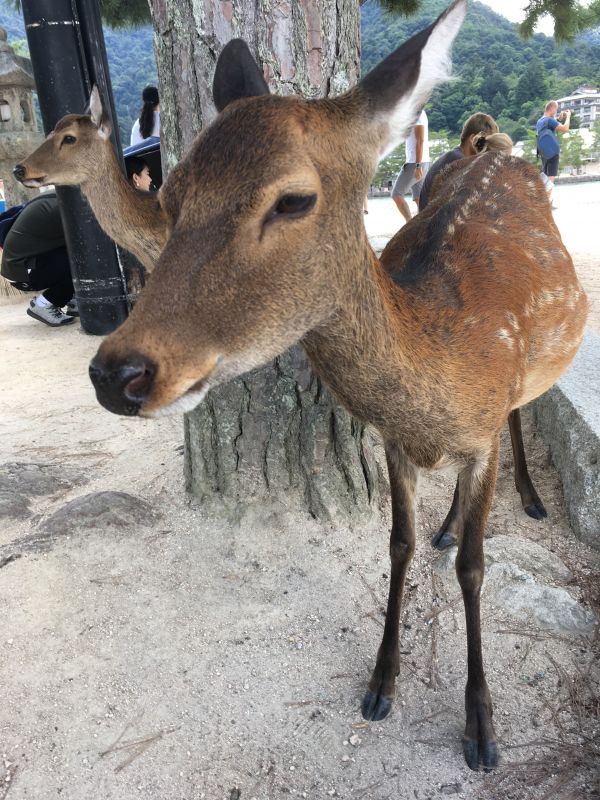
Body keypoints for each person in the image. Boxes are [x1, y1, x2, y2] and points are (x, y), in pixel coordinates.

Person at [0, 191, 75, 327]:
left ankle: (75, 300)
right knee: (80, 263)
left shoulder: (62, 196)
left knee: (77, 255)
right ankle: (43, 304)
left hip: (27, 262)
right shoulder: (66, 208)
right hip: (22, 271)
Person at [418, 112, 499, 211]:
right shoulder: (458, 160)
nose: (488, 150)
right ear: (473, 139)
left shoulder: (454, 155)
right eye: (486, 144)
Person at [391, 109, 430, 221]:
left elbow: (420, 140)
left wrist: (417, 166)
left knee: (396, 194)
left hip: (415, 163)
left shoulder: (417, 114)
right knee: (419, 199)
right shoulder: (417, 112)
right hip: (421, 162)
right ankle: (425, 225)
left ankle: (410, 224)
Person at [535, 100, 571, 194]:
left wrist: (559, 119)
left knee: (545, 178)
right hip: (553, 153)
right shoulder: (550, 120)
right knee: (550, 180)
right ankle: (546, 200)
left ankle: (541, 198)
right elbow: (565, 129)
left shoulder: (540, 121)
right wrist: (568, 117)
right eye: (556, 109)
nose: (556, 111)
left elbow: (551, 125)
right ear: (552, 108)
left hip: (544, 154)